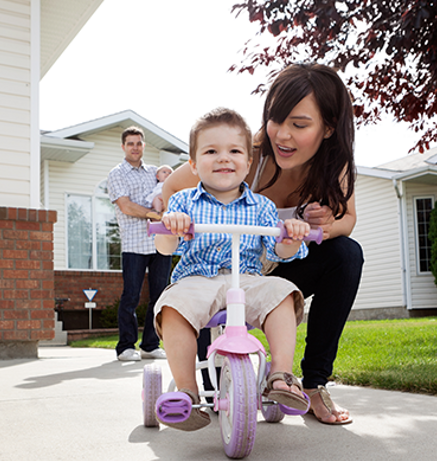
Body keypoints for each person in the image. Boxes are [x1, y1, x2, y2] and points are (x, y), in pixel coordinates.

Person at [162, 63, 363, 425]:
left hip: (272, 265)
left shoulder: (334, 166)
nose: (282, 135)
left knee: (347, 254)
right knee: (211, 383)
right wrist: (177, 221)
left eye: (299, 125)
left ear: (328, 128)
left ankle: (308, 383)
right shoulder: (241, 155)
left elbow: (348, 220)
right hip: (210, 268)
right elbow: (173, 188)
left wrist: (324, 227)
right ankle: (188, 389)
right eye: (275, 119)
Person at [153, 108, 311, 431]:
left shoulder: (262, 207)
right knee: (172, 306)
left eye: (235, 151)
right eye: (211, 151)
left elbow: (280, 250)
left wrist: (291, 237)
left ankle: (280, 376)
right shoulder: (184, 203)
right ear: (194, 164)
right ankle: (187, 392)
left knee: (282, 292)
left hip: (249, 279)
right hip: (197, 279)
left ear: (248, 163)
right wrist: (170, 227)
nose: (224, 158)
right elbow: (165, 248)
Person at [107, 126, 172, 362]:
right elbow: (126, 206)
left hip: (161, 241)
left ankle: (150, 344)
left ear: (143, 146)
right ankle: (125, 346)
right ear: (123, 147)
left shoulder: (155, 172)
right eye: (130, 143)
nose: (135, 147)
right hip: (134, 243)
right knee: (131, 296)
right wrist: (155, 215)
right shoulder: (117, 173)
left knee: (159, 296)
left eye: (139, 143)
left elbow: (170, 189)